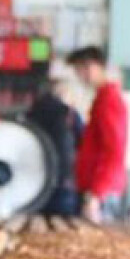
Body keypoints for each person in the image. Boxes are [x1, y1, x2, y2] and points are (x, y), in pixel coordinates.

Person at [66, 46, 129, 223]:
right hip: (96, 190)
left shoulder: (109, 100)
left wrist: (96, 194)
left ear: (98, 66)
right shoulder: (101, 99)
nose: (82, 74)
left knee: (99, 248)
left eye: (85, 67)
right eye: (78, 69)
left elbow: (115, 151)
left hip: (101, 193)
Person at [25, 79, 84, 217]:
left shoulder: (31, 114)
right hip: (63, 182)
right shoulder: (70, 115)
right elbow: (83, 142)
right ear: (65, 95)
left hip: (33, 182)